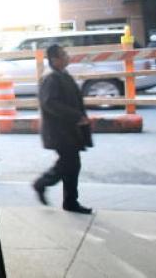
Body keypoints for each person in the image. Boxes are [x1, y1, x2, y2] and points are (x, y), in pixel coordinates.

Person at [33, 44, 93, 214]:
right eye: (64, 54)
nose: (67, 56)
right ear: (55, 59)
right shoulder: (51, 78)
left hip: (69, 130)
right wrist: (76, 116)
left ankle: (70, 200)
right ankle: (43, 184)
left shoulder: (62, 74)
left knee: (71, 164)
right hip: (59, 131)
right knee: (69, 163)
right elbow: (50, 103)